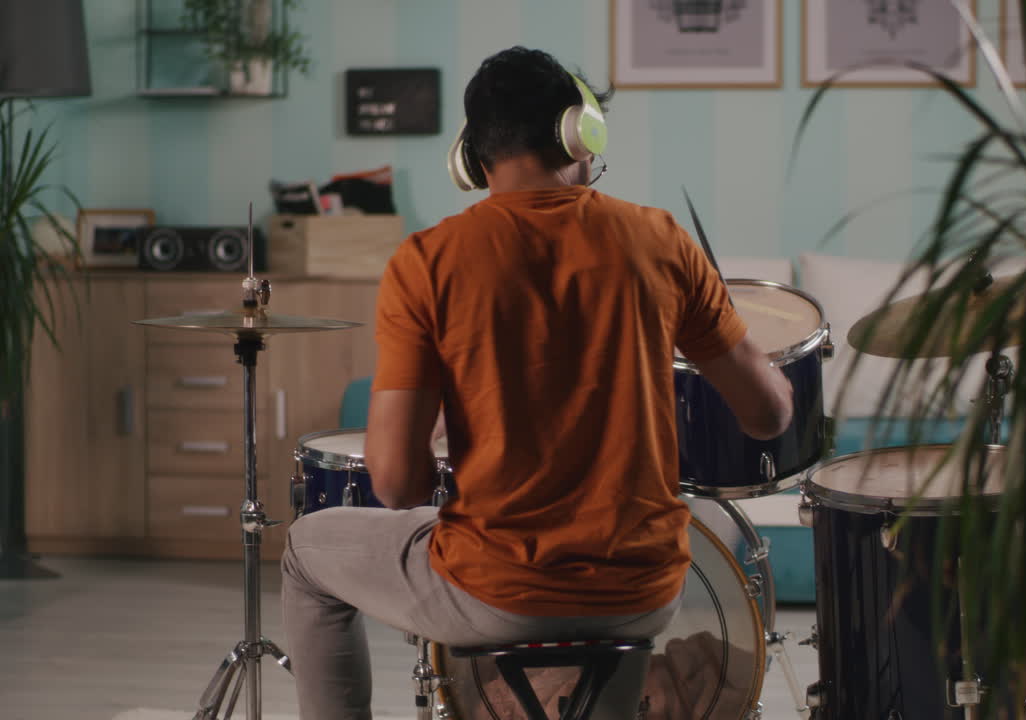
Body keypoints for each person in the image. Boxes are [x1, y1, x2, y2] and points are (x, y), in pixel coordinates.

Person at [281, 46, 793, 720]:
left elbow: (399, 485)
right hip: (646, 589)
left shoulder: (427, 262)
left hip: (500, 593)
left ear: (471, 159)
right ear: (577, 134)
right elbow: (769, 417)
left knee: (304, 554)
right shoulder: (662, 240)